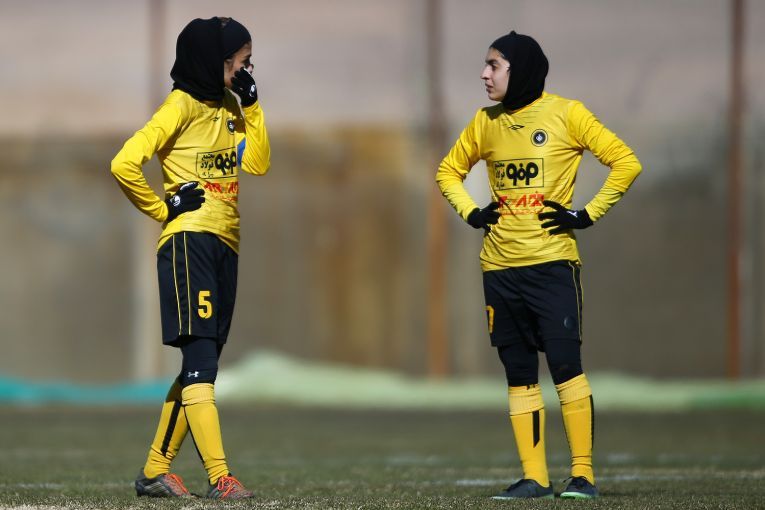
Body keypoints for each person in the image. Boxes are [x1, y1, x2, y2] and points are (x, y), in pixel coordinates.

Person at [436, 31, 641, 499]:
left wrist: (585, 214)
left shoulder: (568, 114)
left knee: (566, 366)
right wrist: (472, 213)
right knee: (519, 372)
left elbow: (626, 162)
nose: (484, 74)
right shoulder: (484, 122)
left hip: (552, 267)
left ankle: (582, 476)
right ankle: (535, 478)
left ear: (521, 69)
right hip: (499, 269)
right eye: (485, 65)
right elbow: (447, 171)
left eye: (494, 65)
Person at [111, 16, 270, 499]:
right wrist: (164, 209)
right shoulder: (178, 106)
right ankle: (222, 479)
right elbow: (123, 163)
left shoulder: (229, 105)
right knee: (201, 363)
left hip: (226, 243)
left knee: (202, 366)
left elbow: (257, 162)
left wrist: (253, 106)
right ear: (215, 61)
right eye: (242, 63)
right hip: (190, 242)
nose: (246, 71)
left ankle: (154, 472)